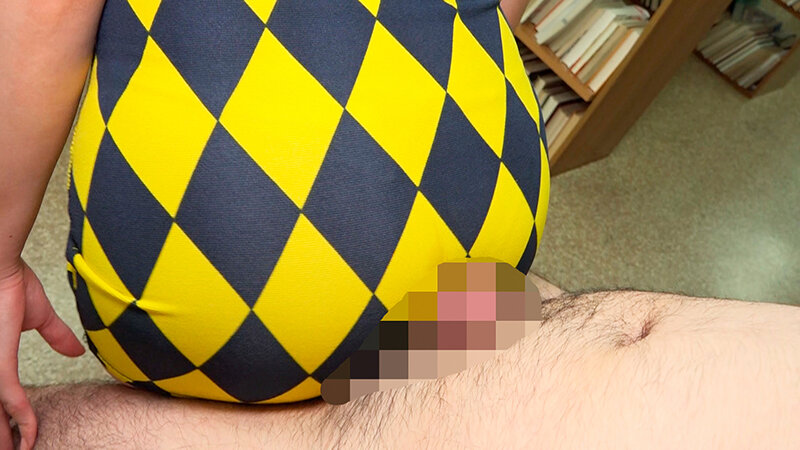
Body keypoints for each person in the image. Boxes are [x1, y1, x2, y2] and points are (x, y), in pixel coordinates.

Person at [2, 1, 799, 449]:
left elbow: (44, 12)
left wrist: (3, 261)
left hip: (229, 229)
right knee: (405, 388)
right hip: (478, 195)